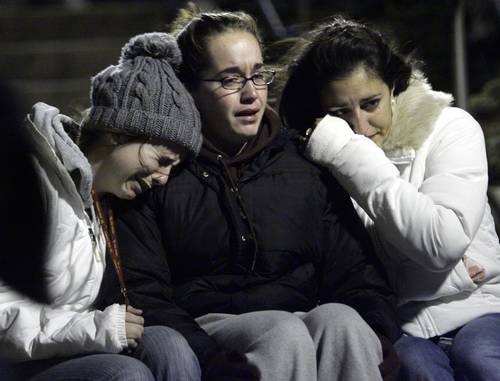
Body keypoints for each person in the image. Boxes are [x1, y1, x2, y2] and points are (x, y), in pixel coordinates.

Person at [97, 5, 402, 381]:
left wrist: (378, 331)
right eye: (229, 79)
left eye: (258, 75)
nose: (251, 94)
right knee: (282, 333)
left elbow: (354, 268)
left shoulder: (302, 162)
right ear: (190, 88)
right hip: (208, 327)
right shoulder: (159, 170)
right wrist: (207, 356)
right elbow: (144, 291)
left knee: (344, 322)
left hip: (300, 316)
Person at [279, 15, 500, 381]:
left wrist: (351, 154)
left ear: (393, 87)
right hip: (400, 326)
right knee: (416, 371)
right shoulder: (323, 157)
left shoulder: (451, 128)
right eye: (340, 113)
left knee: (479, 358)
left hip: (478, 307)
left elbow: (441, 242)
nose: (361, 128)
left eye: (370, 104)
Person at [0, 32, 203, 381]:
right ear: (117, 133)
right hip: (13, 363)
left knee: (168, 343)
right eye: (161, 159)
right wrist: (94, 328)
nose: (163, 178)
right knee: (124, 374)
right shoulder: (35, 179)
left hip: (55, 349)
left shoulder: (98, 202)